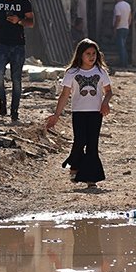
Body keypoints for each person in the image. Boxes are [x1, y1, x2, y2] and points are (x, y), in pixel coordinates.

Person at [47, 38, 112, 188]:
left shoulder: (101, 72)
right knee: (79, 141)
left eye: (94, 53)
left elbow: (108, 92)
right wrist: (56, 115)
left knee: (92, 144)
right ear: (80, 55)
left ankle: (91, 179)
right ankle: (74, 164)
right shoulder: (72, 73)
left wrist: (105, 102)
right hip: (78, 113)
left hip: (96, 113)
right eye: (88, 53)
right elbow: (64, 95)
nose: (91, 56)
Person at [112, 0, 133, 68]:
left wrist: (114, 28)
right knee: (124, 46)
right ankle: (125, 62)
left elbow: (118, 18)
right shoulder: (127, 5)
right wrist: (128, 25)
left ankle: (123, 63)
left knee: (121, 47)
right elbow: (130, 17)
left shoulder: (117, 6)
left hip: (119, 28)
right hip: (126, 27)